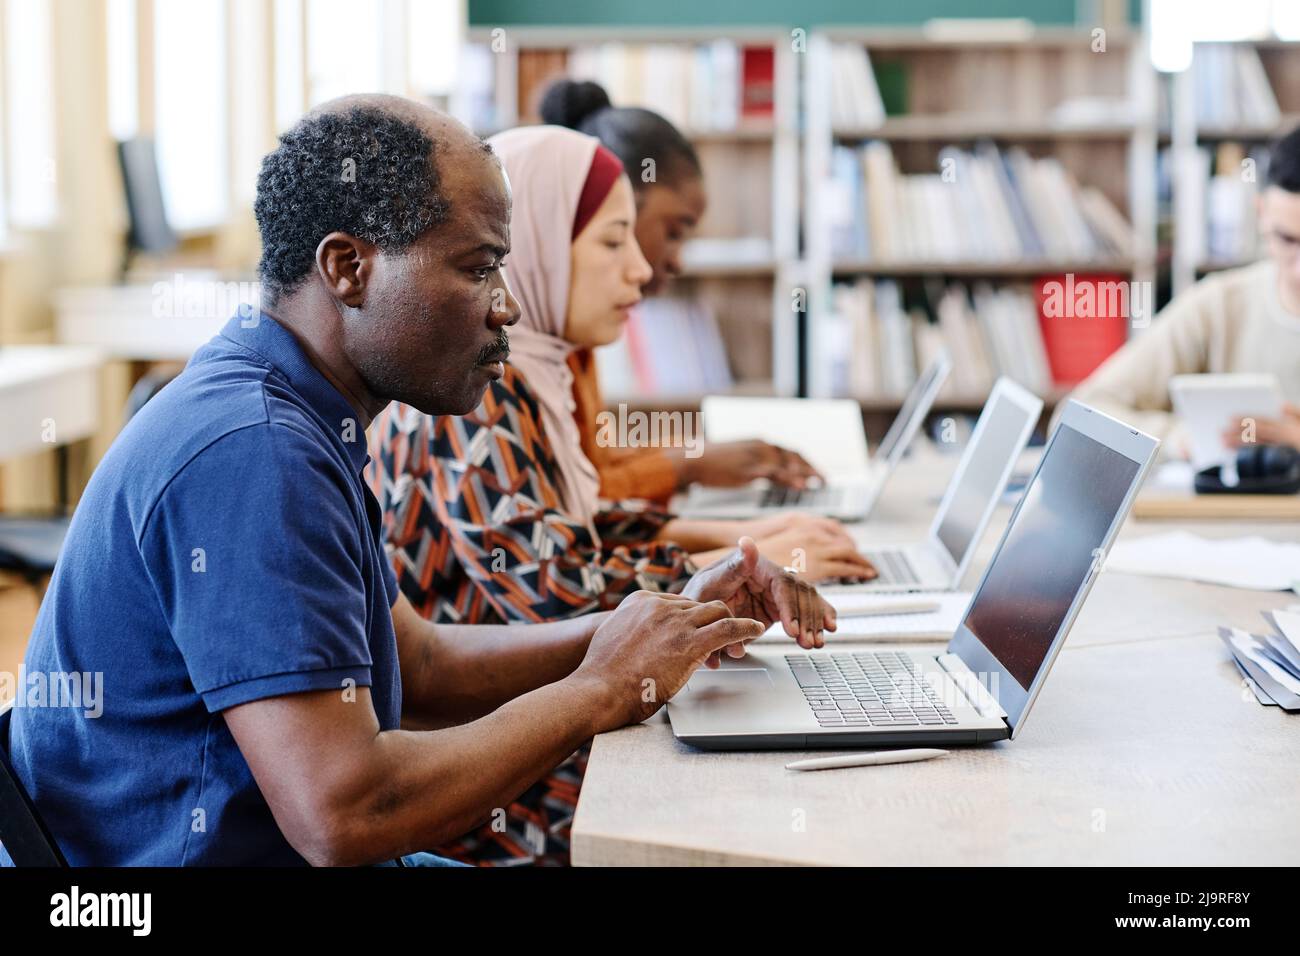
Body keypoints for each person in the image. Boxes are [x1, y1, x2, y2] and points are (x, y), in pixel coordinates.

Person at [1, 96, 835, 868]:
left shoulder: (295, 408)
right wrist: (603, 688)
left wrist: (670, 621)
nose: (505, 306)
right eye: (477, 269)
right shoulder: (258, 455)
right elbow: (345, 814)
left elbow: (424, 665)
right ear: (348, 268)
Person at [366, 123, 869, 864]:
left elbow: (583, 527)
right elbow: (558, 590)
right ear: (534, 246)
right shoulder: (473, 394)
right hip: (484, 769)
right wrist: (712, 584)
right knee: (745, 806)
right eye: (611, 243)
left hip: (516, 725)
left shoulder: (532, 374)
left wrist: (730, 563)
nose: (639, 271)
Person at [539, 78, 824, 502]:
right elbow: (580, 501)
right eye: (673, 233)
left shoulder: (579, 335)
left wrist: (698, 458)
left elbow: (592, 464)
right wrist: (691, 467)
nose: (676, 260)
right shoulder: (524, 350)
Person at [1069, 125, 1300, 451]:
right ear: (1261, 213)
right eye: (1288, 240)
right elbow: (1084, 413)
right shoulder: (1220, 305)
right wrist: (1187, 438)